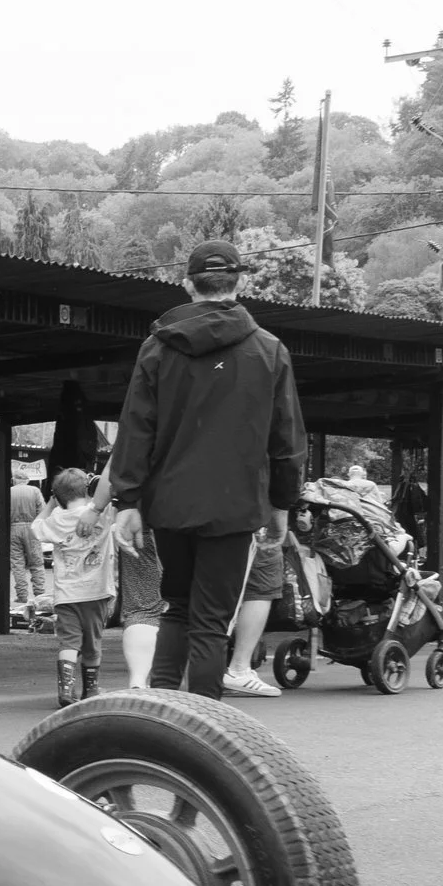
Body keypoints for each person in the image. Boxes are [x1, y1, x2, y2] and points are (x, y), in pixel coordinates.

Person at [108, 241, 307, 697]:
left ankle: (162, 705)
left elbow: (136, 428)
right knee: (212, 620)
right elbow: (286, 438)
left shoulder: (157, 349)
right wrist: (282, 504)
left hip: (171, 501)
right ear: (241, 283)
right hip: (236, 504)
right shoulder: (269, 351)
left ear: (187, 284)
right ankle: (204, 722)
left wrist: (128, 501)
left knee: (175, 605)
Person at [32, 467, 115, 705]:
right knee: (93, 641)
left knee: (69, 642)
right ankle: (91, 690)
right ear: (88, 492)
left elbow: (36, 528)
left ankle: (66, 691)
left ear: (57, 496)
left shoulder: (56, 520)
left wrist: (50, 505)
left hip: (66, 595)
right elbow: (110, 493)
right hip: (96, 592)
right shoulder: (101, 514)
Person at [222, 526, 289, 696]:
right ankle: (238, 669)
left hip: (183, 519)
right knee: (261, 588)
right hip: (250, 522)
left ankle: (174, 674)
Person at [6, 468, 46, 623]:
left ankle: (22, 595)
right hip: (31, 528)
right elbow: (42, 510)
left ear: (14, 479)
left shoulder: (9, 491)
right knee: (36, 562)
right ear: (27, 480)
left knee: (17, 563)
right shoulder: (35, 491)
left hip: (13, 528)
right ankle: (40, 594)